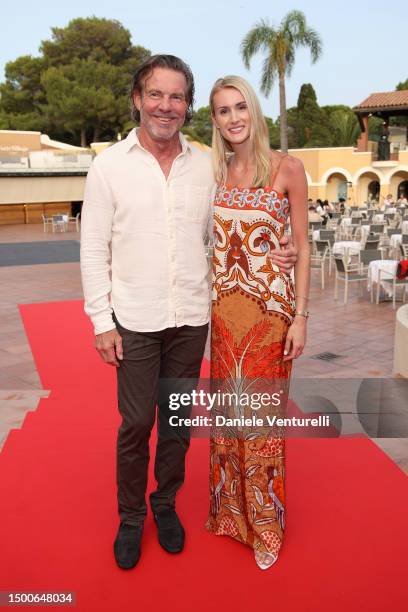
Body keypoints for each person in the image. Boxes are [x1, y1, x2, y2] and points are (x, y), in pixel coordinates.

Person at [80, 55, 298, 570]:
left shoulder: (208, 164)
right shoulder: (108, 166)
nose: (166, 106)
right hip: (133, 318)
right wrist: (100, 322)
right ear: (137, 99)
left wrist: (278, 247)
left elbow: (239, 220)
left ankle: (165, 503)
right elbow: (93, 249)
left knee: (176, 422)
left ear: (188, 107)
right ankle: (131, 517)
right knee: (136, 423)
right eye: (156, 94)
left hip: (193, 318)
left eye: (177, 97)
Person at [205, 76, 310, 570]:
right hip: (223, 316)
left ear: (254, 110)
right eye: (223, 111)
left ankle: (266, 526)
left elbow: (302, 248)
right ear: (215, 121)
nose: (233, 118)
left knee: (262, 422)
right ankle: (230, 513)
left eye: (239, 106)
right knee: (229, 421)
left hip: (271, 317)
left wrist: (302, 317)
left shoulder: (288, 169)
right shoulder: (215, 173)